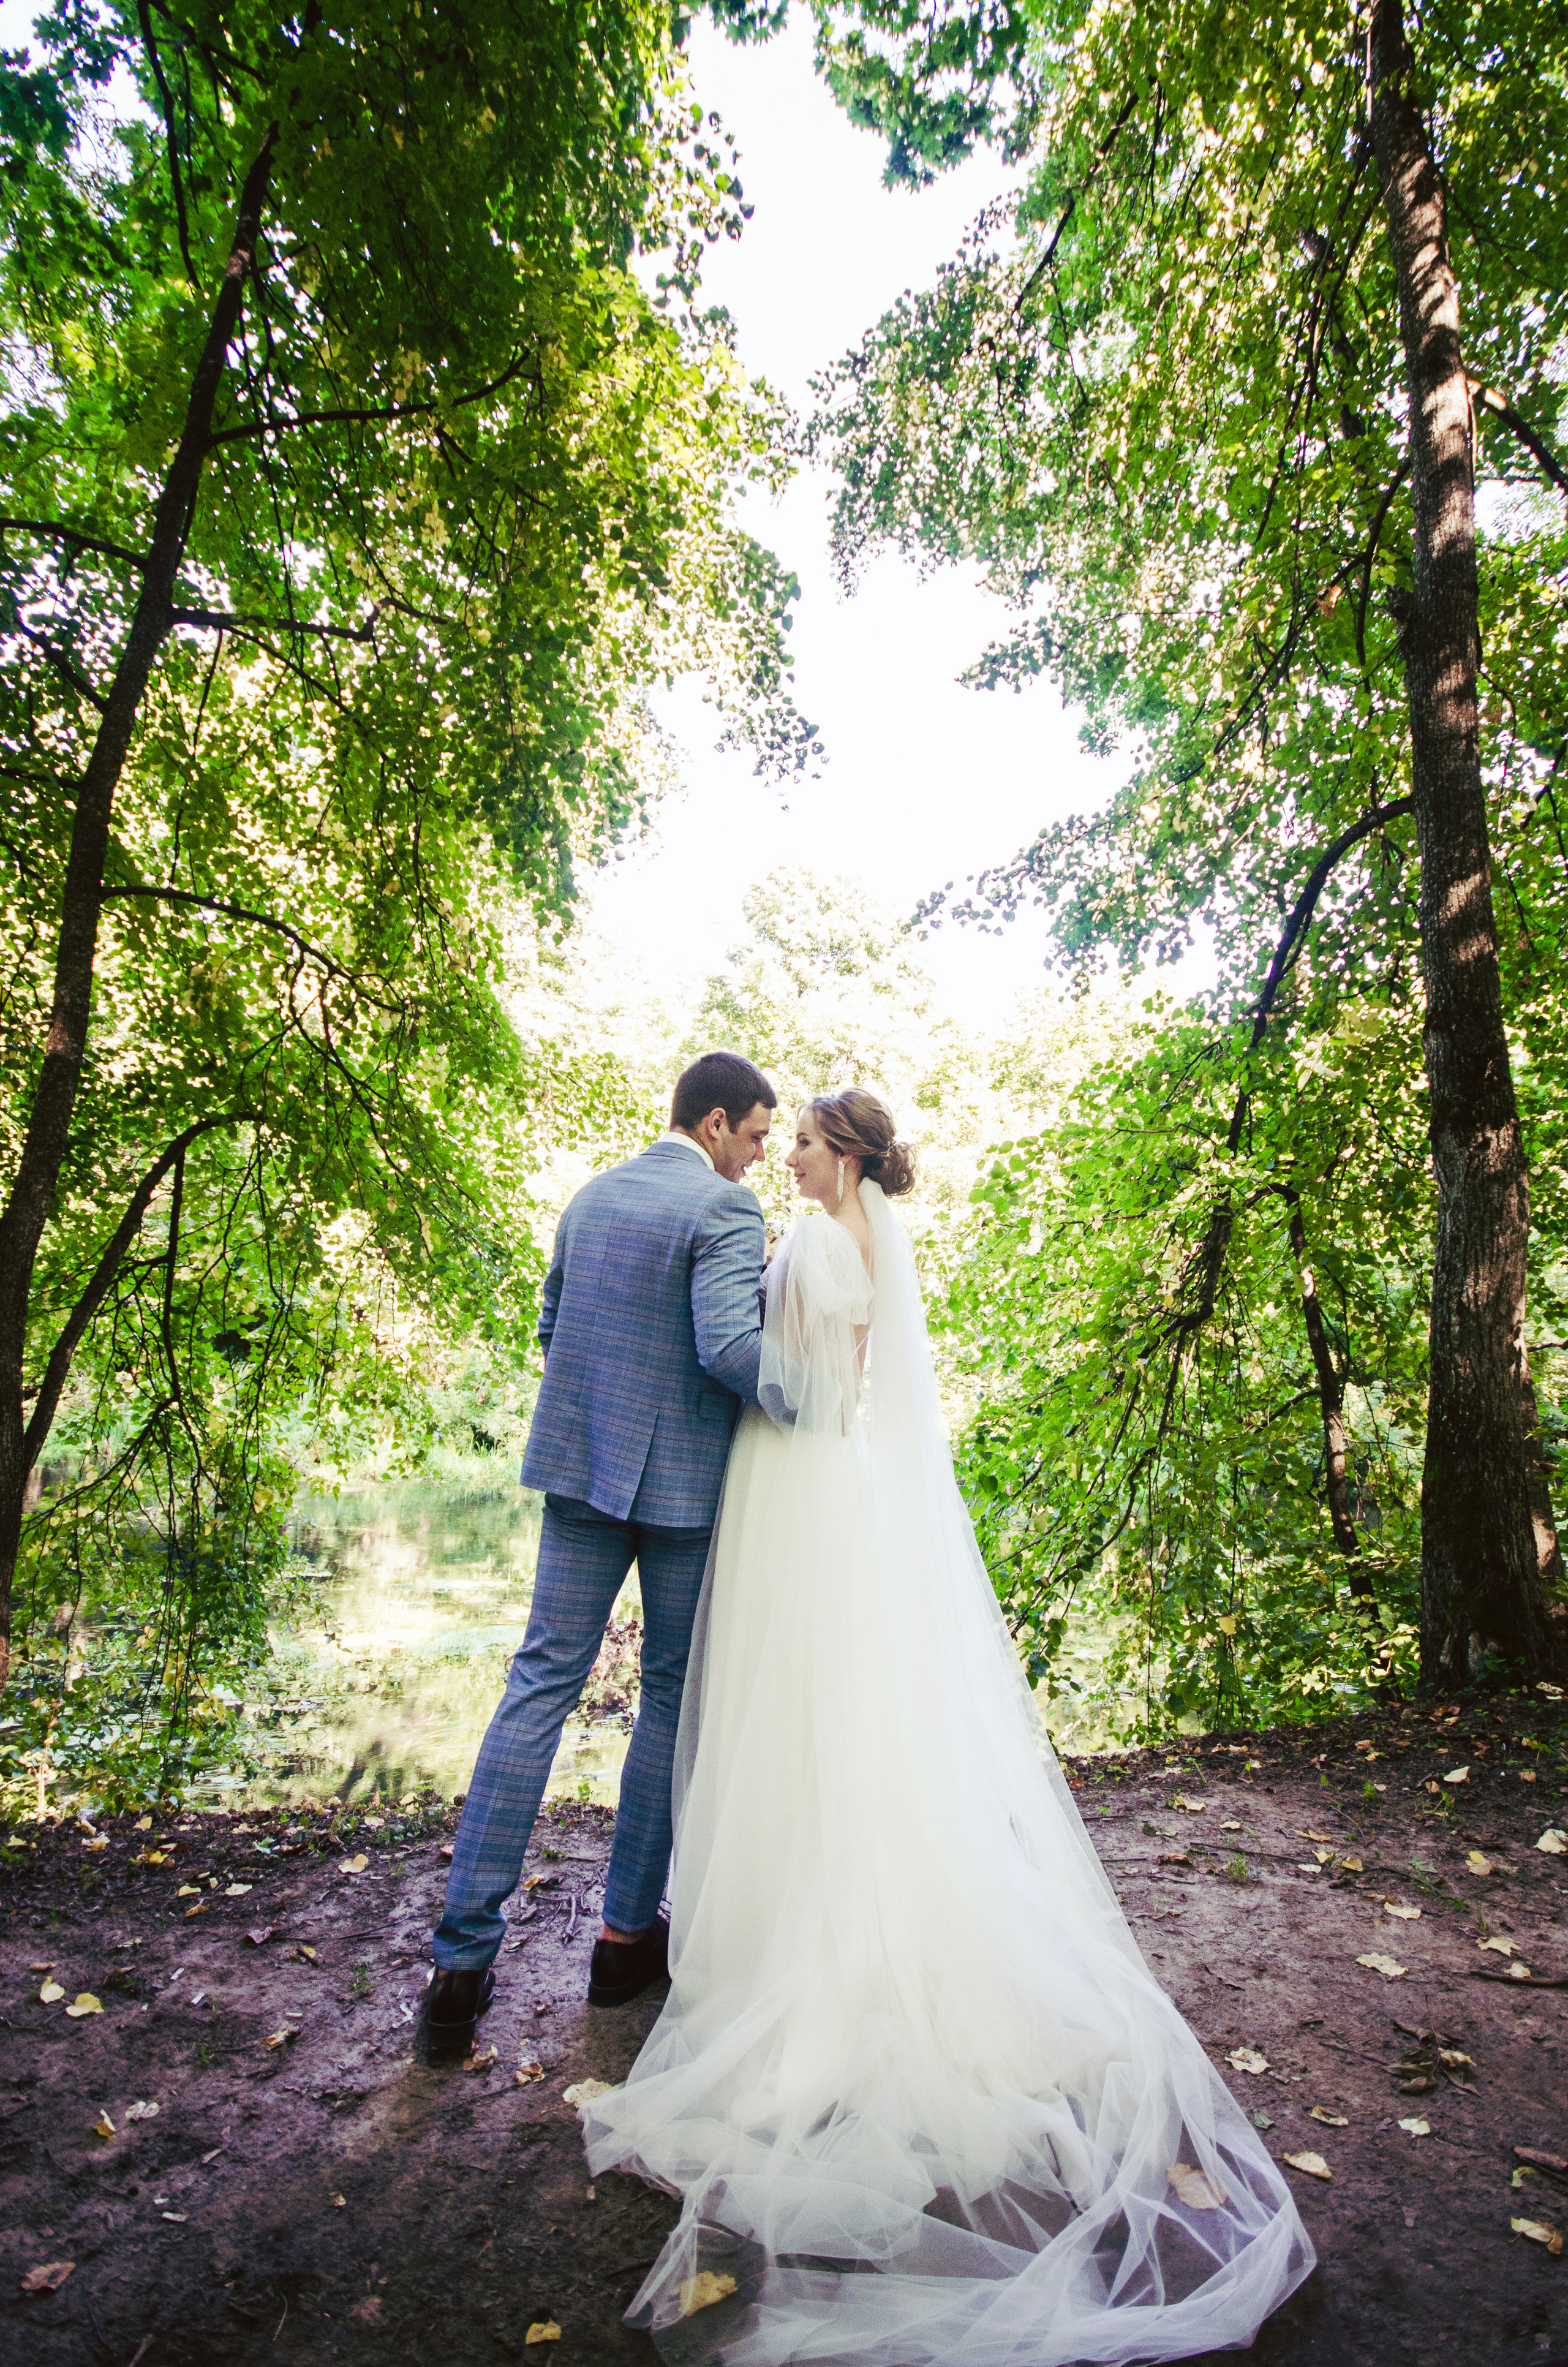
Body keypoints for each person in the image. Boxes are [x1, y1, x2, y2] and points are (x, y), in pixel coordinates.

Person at [582, 1085, 1315, 2364]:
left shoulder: (809, 1240)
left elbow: (772, 1370)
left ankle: (776, 1935)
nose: (786, 1157)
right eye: (784, 1140)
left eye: (802, 1143)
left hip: (784, 1471)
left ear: (844, 1155)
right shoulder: (871, 1241)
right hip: (837, 1474)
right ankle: (815, 1894)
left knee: (772, 1692)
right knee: (824, 1703)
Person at [421, 1051, 777, 2061]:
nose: (757, 1159)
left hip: (579, 1476)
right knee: (666, 1695)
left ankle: (458, 1972)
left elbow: (550, 1328)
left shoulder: (590, 1198)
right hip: (680, 1495)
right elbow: (728, 1350)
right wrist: (820, 1395)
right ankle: (624, 1945)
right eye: (754, 1137)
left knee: (536, 1688)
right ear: (713, 1124)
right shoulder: (723, 1212)